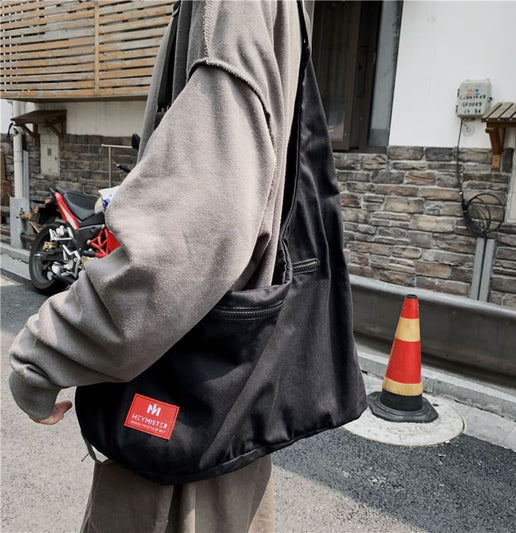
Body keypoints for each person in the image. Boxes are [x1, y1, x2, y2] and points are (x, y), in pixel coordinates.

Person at [9, 1, 302, 531]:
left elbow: (181, 243)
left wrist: (41, 358)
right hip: (227, 400)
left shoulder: (229, 8)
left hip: (177, 414)